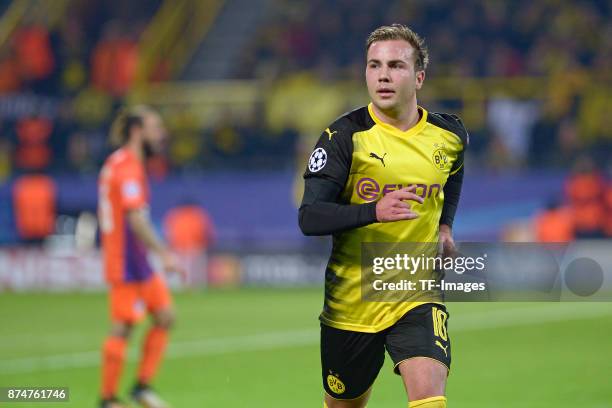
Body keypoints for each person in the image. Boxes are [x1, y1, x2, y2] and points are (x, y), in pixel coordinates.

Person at [299, 24, 468, 408]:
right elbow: (309, 218)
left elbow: (454, 174)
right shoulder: (344, 137)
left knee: (430, 396)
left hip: (417, 291)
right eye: (374, 66)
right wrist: (374, 210)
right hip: (352, 301)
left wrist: (444, 225)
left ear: (419, 77)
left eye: (396, 65)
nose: (384, 75)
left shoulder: (450, 134)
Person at [98, 105, 185, 408]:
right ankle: (108, 399)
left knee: (165, 316)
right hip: (125, 262)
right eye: (155, 128)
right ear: (138, 131)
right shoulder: (126, 167)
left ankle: (141, 387)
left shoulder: (127, 163)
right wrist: (165, 254)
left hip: (139, 262)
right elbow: (135, 219)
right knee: (123, 326)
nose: (161, 135)